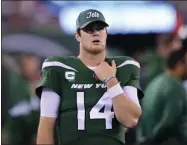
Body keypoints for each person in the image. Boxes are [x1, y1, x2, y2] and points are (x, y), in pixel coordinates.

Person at [35, 9, 144, 145]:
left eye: (100, 28)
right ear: (78, 36)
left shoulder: (124, 66)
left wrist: (111, 80)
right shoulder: (58, 68)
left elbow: (131, 120)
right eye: (89, 29)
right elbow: (46, 125)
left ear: (106, 33)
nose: (96, 33)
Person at [137, 48, 187, 145]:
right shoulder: (175, 86)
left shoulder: (155, 82)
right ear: (179, 65)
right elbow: (169, 122)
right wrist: (152, 139)